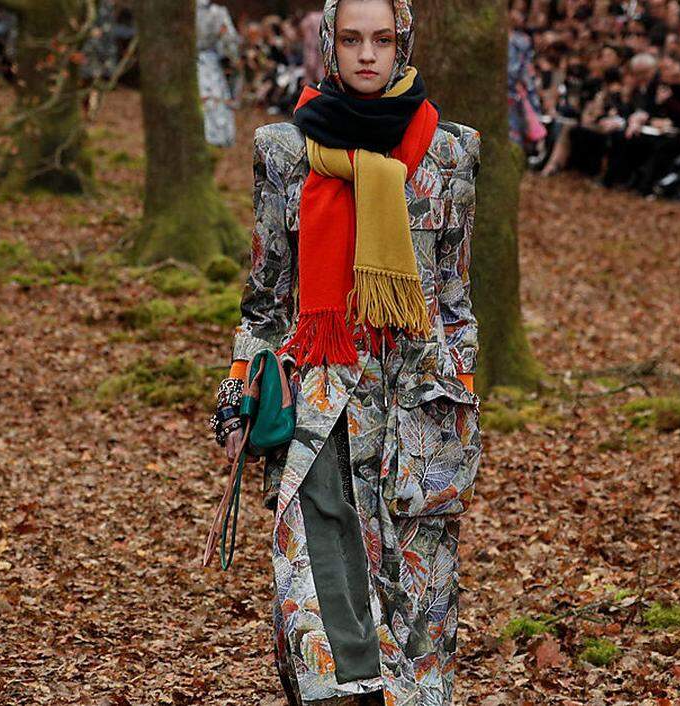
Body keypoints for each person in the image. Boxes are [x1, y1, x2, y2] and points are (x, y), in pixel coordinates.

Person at [216, 0, 480, 701]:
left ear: (405, 44)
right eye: (354, 39)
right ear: (329, 43)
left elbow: (454, 299)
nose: (368, 54)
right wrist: (238, 393)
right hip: (321, 409)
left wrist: (463, 404)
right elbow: (265, 294)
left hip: (419, 417)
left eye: (383, 39)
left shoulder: (451, 155)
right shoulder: (284, 152)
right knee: (327, 619)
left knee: (418, 620)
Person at [197, 0, 241, 148]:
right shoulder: (217, 12)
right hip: (210, 63)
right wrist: (233, 59)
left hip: (189, 63)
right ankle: (216, 137)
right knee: (214, 97)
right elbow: (229, 40)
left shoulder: (181, 13)